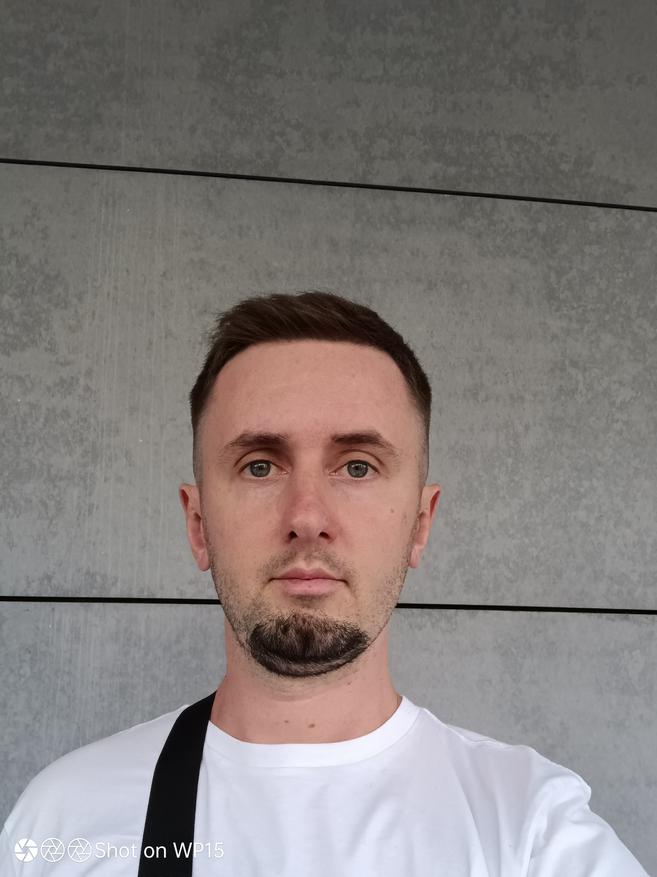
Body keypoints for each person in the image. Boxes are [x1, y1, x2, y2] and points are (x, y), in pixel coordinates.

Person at [1, 291, 650, 876]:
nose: (307, 516)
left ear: (420, 524)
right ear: (199, 525)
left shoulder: (530, 831)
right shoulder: (63, 821)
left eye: (357, 466)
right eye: (260, 466)